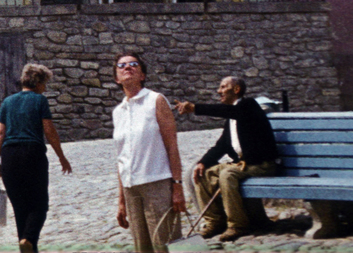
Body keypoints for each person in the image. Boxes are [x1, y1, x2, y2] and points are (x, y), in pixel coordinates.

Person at [176, 76, 280, 242]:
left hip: (262, 165)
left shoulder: (248, 105)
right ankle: (215, 222)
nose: (219, 91)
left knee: (227, 175)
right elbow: (221, 146)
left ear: (236, 89)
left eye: (223, 87)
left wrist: (195, 108)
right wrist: (202, 162)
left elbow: (232, 112)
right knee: (202, 174)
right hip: (243, 166)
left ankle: (237, 225)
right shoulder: (232, 117)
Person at [0, 62, 73, 253]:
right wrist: (61, 156)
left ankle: (27, 246)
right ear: (38, 83)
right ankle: (28, 239)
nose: (45, 88)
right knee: (39, 205)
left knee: (20, 208)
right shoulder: (39, 101)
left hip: (9, 155)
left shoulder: (7, 102)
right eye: (45, 84)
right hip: (32, 153)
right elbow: (49, 130)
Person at [112, 52, 186, 253]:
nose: (128, 67)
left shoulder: (156, 101)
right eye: (122, 65)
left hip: (157, 183)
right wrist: (121, 201)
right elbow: (121, 158)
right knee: (142, 248)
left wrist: (177, 187)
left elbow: (172, 146)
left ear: (143, 75)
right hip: (131, 189)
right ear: (117, 78)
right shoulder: (118, 112)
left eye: (134, 64)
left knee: (167, 246)